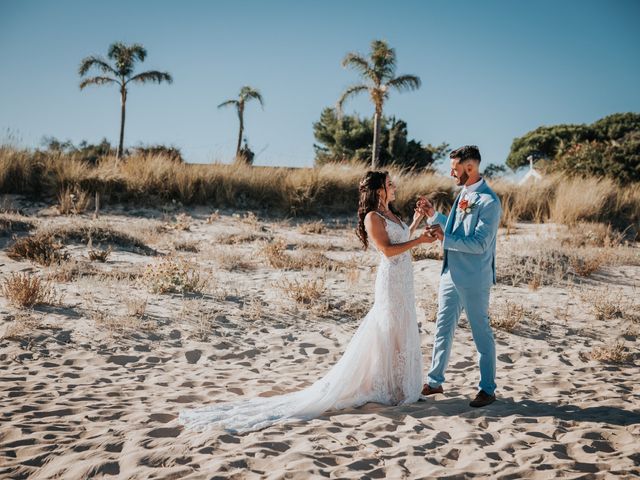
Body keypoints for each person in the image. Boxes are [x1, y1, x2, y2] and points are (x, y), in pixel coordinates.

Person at [178, 170, 437, 433]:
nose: (393, 186)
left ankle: (398, 386)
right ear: (379, 190)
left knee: (400, 329)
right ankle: (388, 387)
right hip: (391, 281)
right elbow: (387, 251)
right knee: (389, 329)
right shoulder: (373, 217)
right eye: (389, 183)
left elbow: (401, 239)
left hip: (405, 282)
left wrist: (415, 223)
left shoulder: (392, 213)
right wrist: (420, 241)